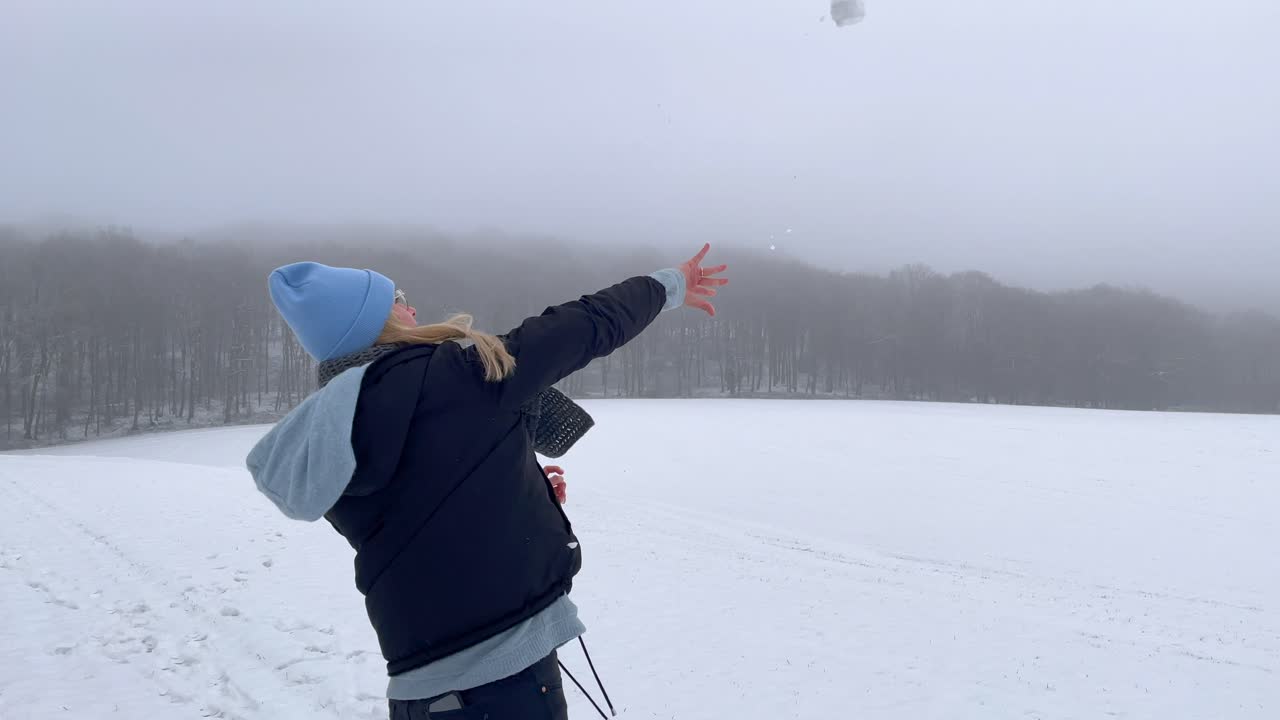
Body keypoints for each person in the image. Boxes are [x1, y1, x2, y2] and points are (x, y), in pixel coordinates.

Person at [246, 245, 728, 719]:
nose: (411, 306)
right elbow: (583, 325)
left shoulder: (332, 432)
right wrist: (669, 285)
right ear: (373, 323)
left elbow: (422, 517)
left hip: (417, 692)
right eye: (397, 298)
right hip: (503, 683)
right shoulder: (459, 376)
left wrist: (512, 484)